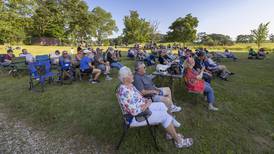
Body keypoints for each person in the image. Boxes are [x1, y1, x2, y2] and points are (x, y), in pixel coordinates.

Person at [117, 66, 193, 148]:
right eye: (131, 75)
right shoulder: (124, 92)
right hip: (136, 117)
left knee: (162, 105)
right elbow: (135, 112)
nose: (133, 76)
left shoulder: (130, 86)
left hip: (142, 108)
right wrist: (147, 104)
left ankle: (170, 133)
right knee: (164, 116)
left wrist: (146, 101)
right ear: (125, 79)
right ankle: (179, 141)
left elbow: (139, 97)